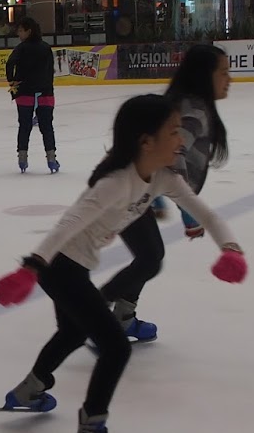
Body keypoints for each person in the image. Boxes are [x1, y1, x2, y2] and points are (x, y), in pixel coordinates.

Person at [0, 95, 247, 433]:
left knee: (73, 332)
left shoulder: (161, 177)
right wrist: (31, 266)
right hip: (59, 268)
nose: (181, 139)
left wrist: (230, 249)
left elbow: (206, 213)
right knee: (115, 346)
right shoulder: (115, 183)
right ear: (146, 141)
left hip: (75, 268)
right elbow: (68, 223)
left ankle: (29, 389)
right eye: (173, 131)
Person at [99, 45, 232, 346]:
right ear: (204, 75)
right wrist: (188, 212)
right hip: (129, 188)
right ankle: (95, 315)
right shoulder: (192, 111)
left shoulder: (191, 104)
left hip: (141, 187)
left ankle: (120, 317)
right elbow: (172, 156)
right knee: (150, 258)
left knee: (149, 257)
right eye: (223, 72)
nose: (229, 79)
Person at [6, 16, 57, 173]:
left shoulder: (21, 48)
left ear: (29, 31)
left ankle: (22, 158)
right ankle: (51, 159)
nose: (19, 34)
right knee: (47, 127)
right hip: (45, 93)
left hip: (24, 92)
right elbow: (50, 70)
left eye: (21, 31)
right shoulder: (46, 47)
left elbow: (9, 63)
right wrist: (47, 85)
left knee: (25, 126)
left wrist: (12, 81)